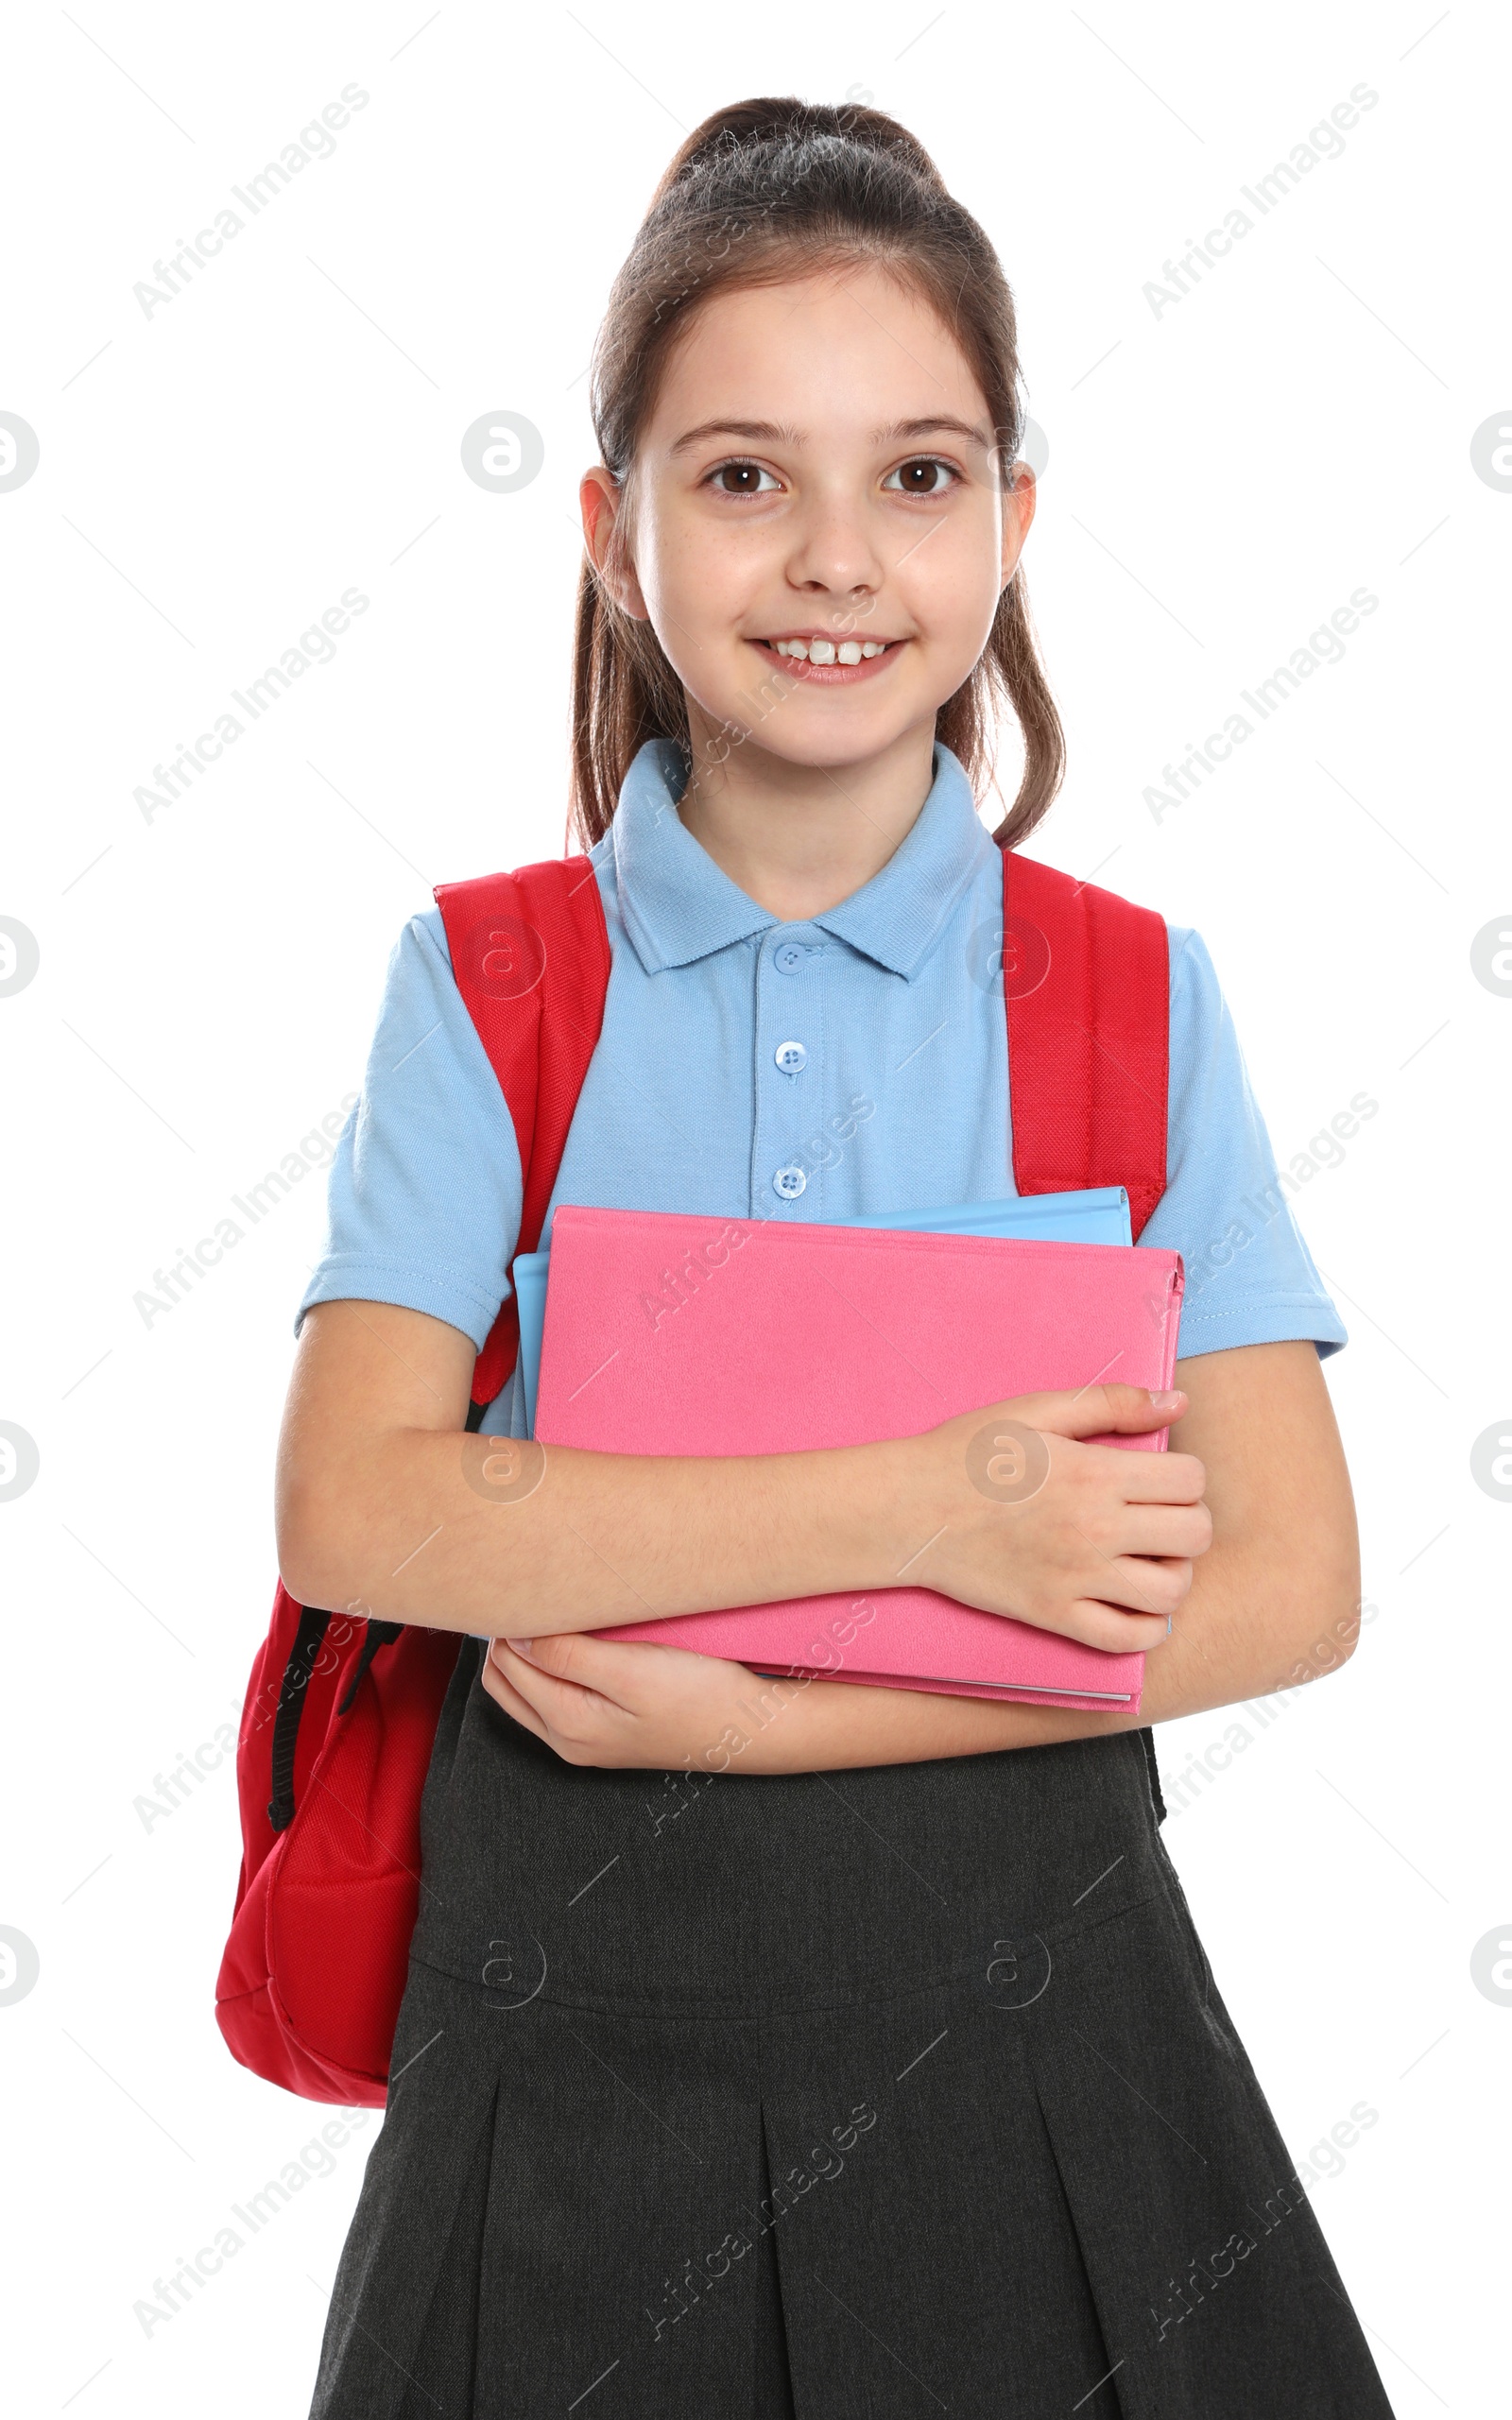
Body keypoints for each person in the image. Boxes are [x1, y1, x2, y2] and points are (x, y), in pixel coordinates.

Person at [283, 96, 1394, 2420]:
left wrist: (765, 1720)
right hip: (567, 2055)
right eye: (736, 474)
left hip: (1037, 2041)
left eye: (915, 473)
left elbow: (1290, 1582)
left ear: (1009, 520)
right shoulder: (490, 987)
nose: (831, 557)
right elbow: (359, 1508)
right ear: (611, 534)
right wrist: (944, 1502)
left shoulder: (1121, 994)